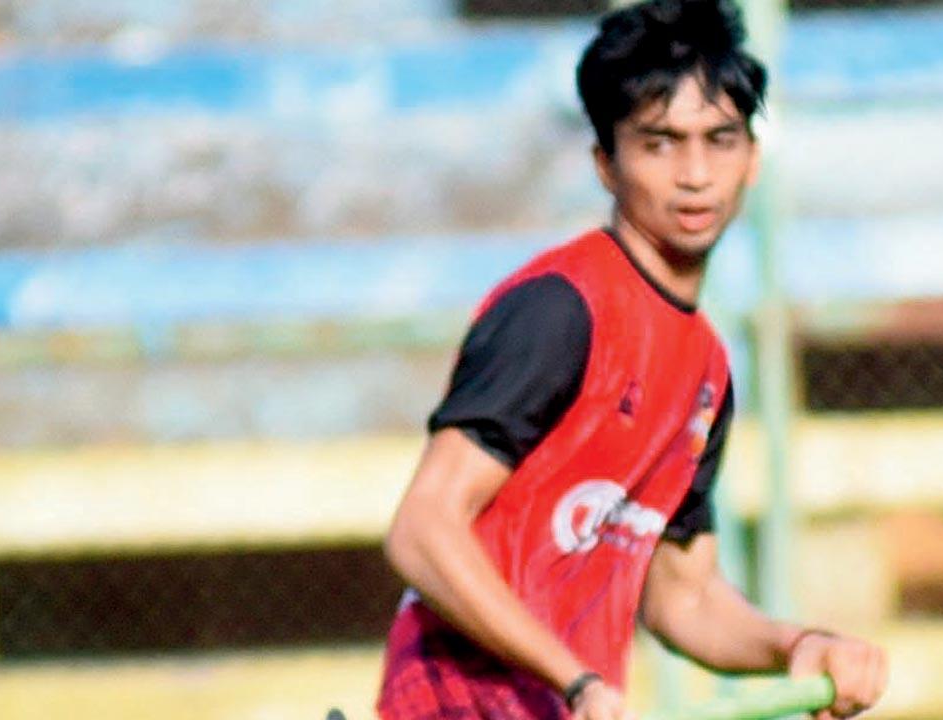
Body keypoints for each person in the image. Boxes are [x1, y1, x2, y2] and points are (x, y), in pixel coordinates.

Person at [376, 1, 888, 718]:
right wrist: (576, 679)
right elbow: (424, 527)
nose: (695, 174)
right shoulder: (561, 309)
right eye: (660, 143)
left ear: (753, 159)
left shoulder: (705, 368)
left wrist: (797, 643)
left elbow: (684, 595)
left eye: (720, 140)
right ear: (605, 165)